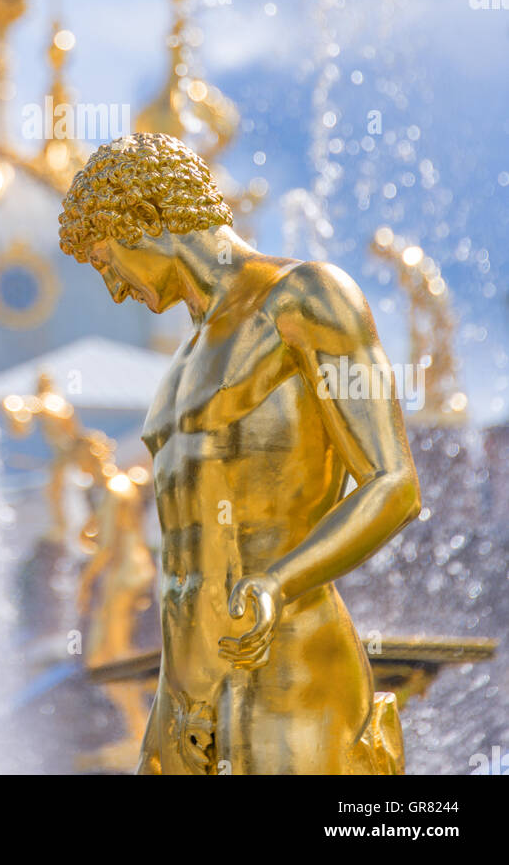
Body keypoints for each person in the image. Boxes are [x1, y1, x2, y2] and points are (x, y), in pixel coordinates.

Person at [59, 132, 420, 774]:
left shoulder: (307, 297)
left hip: (288, 663)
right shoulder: (178, 368)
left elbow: (393, 482)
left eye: (107, 262)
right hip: (185, 692)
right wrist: (171, 703)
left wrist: (277, 583)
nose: (114, 290)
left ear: (144, 220)